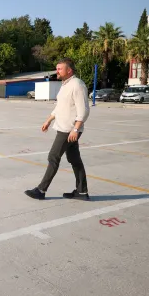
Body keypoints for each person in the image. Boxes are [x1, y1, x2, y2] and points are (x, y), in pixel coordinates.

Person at [24, 58, 91, 201]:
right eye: (57, 68)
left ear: (69, 70)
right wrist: (48, 120)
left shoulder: (77, 85)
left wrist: (75, 129)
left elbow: (84, 110)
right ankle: (82, 191)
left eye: (60, 68)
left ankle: (41, 190)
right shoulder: (65, 85)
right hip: (64, 128)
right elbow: (59, 107)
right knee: (74, 159)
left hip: (68, 130)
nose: (57, 71)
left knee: (53, 157)